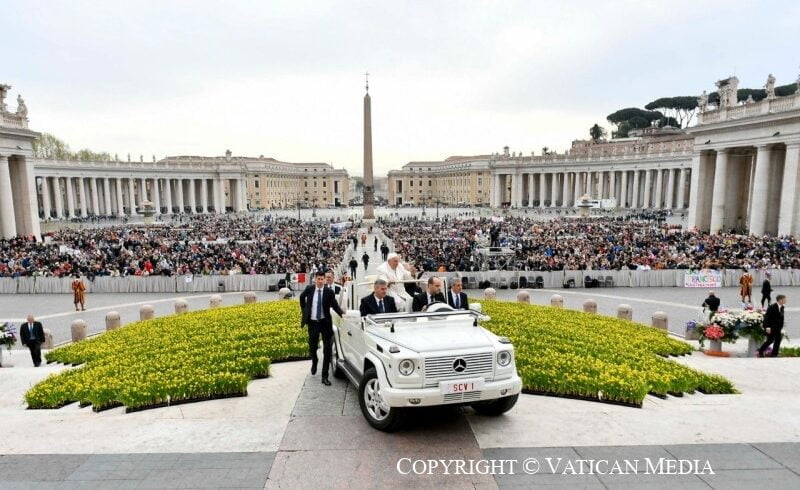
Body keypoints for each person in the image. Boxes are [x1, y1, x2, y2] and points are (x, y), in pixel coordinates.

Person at [299, 271, 345, 386]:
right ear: (315, 279)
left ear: (325, 280)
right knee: (312, 346)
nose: (320, 281)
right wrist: (305, 311)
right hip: (313, 323)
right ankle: (314, 361)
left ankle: (325, 376)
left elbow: (334, 305)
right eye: (318, 279)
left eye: (322, 279)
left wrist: (343, 315)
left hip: (325, 323)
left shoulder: (329, 292)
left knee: (327, 349)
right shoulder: (309, 289)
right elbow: (301, 297)